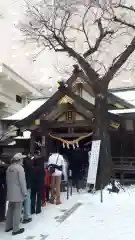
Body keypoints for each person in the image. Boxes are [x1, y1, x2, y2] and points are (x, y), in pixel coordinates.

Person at [5, 153, 27, 236]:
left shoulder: (9, 167)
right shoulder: (20, 168)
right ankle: (16, 229)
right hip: (18, 193)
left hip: (10, 192)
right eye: (22, 159)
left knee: (10, 209)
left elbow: (7, 180)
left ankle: (8, 226)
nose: (23, 160)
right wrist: (24, 192)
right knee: (17, 210)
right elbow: (22, 182)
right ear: (19, 160)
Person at [23, 155, 33, 223]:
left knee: (22, 202)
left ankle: (23, 216)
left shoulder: (23, 168)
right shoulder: (31, 168)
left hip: (22, 186)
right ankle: (26, 217)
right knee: (27, 201)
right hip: (28, 186)